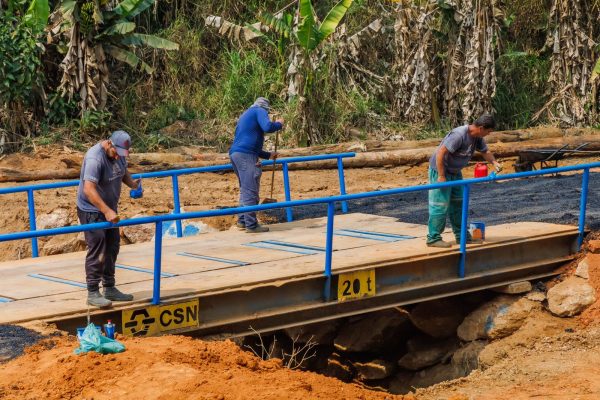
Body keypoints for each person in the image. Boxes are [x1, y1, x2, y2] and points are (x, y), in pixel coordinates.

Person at [76, 130, 141, 308]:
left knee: (112, 246)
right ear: (109, 144)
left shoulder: (118, 154)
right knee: (98, 248)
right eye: (116, 152)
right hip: (92, 210)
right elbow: (88, 190)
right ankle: (92, 292)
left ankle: (109, 287)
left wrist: (133, 184)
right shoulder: (94, 159)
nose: (117, 156)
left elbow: (123, 171)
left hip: (109, 209)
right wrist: (106, 211)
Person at [426, 114, 502, 248]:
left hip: (455, 172)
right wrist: (441, 176)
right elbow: (441, 153)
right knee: (440, 205)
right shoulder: (459, 135)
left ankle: (462, 236)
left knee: (459, 204)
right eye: (488, 132)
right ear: (481, 128)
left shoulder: (477, 137)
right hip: (441, 170)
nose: (488, 134)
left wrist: (494, 162)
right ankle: (433, 238)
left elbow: (485, 151)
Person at [229, 97, 284, 233]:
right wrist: (278, 124)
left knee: (245, 189)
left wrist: (268, 155)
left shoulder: (246, 114)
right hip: (246, 156)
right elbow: (267, 127)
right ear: (265, 108)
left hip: (236, 154)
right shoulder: (259, 110)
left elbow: (249, 143)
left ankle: (242, 221)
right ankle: (251, 225)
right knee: (251, 190)